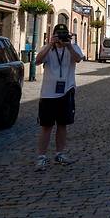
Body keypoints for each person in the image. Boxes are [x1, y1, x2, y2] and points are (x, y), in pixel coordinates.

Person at [34, 23, 84, 171]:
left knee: (63, 125)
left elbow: (78, 59)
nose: (61, 37)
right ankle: (41, 157)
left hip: (66, 91)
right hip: (48, 93)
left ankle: (60, 153)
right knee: (46, 126)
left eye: (63, 34)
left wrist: (68, 46)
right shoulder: (48, 48)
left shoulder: (73, 47)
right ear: (53, 35)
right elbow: (37, 61)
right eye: (58, 34)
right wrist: (50, 44)